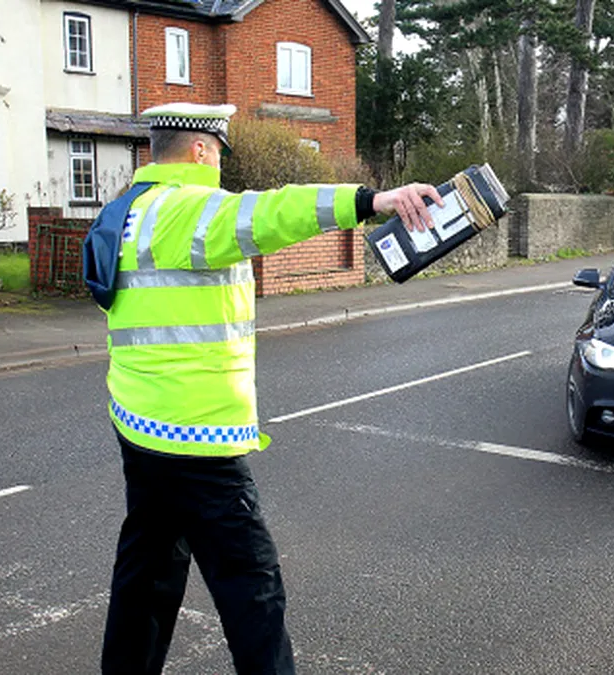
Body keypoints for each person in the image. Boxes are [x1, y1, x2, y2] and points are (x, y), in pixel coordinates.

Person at [87, 102, 443, 675]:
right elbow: (276, 212)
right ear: (201, 150)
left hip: (137, 420)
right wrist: (371, 200)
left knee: (146, 573)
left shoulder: (127, 213)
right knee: (253, 590)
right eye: (219, 152)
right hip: (197, 437)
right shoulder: (189, 211)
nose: (221, 164)